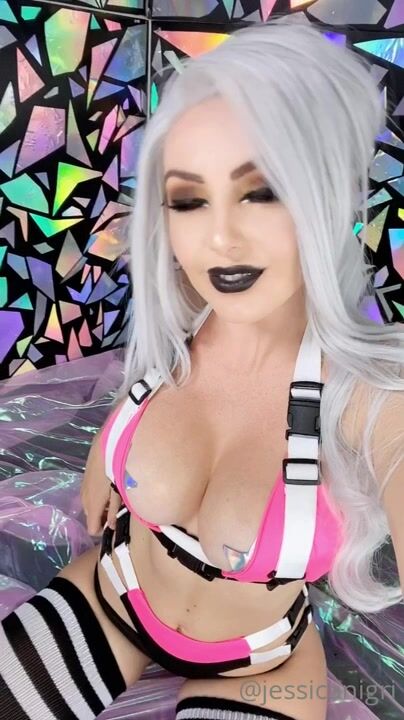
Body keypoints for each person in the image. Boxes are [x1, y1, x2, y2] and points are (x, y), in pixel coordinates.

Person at [1, 14, 404, 720]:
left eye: (262, 190)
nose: (220, 238)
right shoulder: (178, 328)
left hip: (261, 663)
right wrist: (109, 452)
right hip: (112, 596)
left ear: (331, 193)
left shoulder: (372, 400)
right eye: (189, 201)